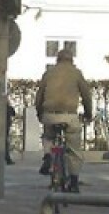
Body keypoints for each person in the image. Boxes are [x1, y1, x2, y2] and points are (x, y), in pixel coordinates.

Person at [35, 48, 93, 192]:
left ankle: (48, 155)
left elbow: (39, 96)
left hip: (50, 114)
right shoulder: (76, 73)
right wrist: (88, 113)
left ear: (57, 59)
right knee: (74, 150)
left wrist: (40, 113)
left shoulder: (49, 73)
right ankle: (74, 183)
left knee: (48, 136)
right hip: (69, 115)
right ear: (72, 60)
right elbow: (86, 95)